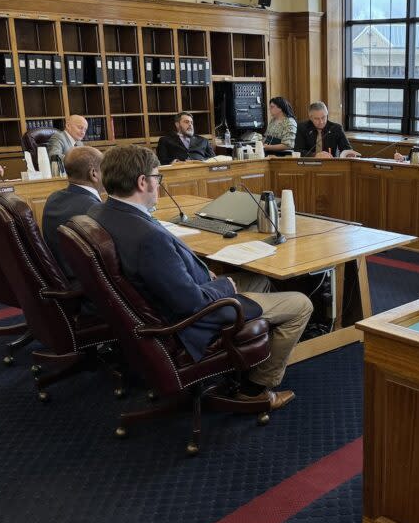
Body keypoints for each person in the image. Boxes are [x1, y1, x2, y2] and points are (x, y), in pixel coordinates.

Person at [86, 145, 311, 407]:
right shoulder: (148, 238)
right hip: (190, 322)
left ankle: (242, 360)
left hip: (159, 307)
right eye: (157, 179)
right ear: (142, 182)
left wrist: (202, 273)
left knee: (260, 281)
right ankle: (255, 388)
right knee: (300, 304)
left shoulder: (100, 213)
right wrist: (223, 285)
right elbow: (191, 303)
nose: (158, 185)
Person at [41, 146, 104, 278]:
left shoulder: (53, 198)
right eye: (104, 169)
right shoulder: (93, 208)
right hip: (87, 282)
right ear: (94, 174)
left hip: (59, 276)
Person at [293, 101, 360, 158]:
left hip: (330, 164)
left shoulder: (336, 128)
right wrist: (315, 155)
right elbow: (298, 150)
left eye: (323, 117)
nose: (321, 121)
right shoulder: (302, 127)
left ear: (327, 114)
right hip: (308, 164)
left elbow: (346, 149)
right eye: (317, 119)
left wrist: (348, 154)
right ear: (310, 118)